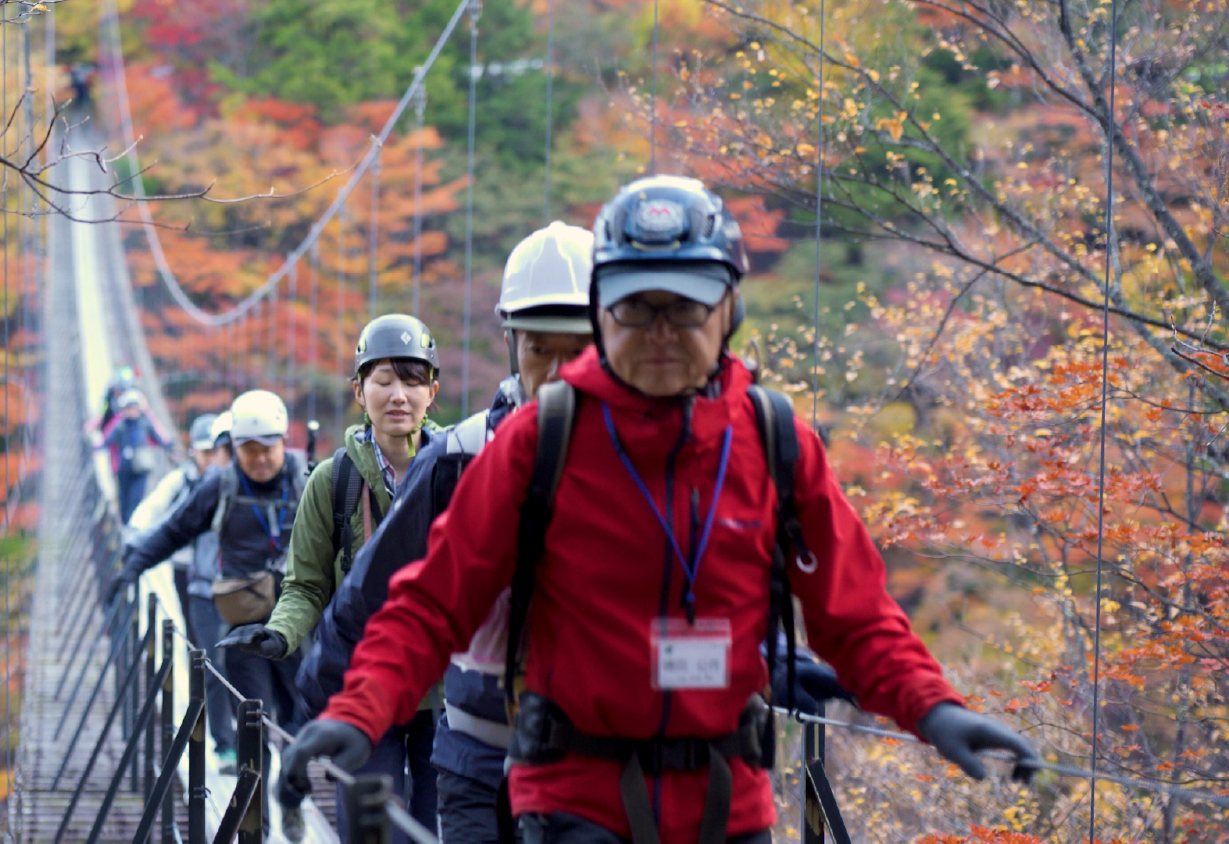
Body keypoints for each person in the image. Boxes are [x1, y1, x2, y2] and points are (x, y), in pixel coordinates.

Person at [277, 176, 1041, 844]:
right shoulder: (538, 443)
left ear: (729, 310)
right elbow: (431, 604)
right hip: (574, 798)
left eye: (688, 306)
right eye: (637, 308)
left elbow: (856, 614)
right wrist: (358, 713)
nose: (663, 334)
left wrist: (930, 708)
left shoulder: (775, 444)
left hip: (728, 798)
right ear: (603, 315)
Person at [221, 314, 441, 842]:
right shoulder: (333, 481)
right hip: (363, 684)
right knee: (371, 827)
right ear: (358, 391)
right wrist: (280, 633)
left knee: (430, 827)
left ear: (432, 391)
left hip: (439, 689)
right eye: (382, 380)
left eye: (412, 381)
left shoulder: (456, 467)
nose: (398, 396)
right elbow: (307, 584)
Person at [108, 392, 308, 778]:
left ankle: (292, 793)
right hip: (244, 623)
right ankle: (260, 827)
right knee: (253, 719)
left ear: (284, 441)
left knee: (299, 718)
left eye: (268, 448)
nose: (261, 459)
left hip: (298, 622)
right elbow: (173, 531)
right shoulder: (221, 486)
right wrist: (132, 567)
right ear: (233, 447)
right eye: (249, 450)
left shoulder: (309, 483)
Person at [123, 412, 225, 631]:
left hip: (217, 568)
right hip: (184, 561)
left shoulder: (228, 483)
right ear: (193, 451)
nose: (210, 458)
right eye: (205, 452)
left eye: (214, 452)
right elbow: (154, 506)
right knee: (192, 622)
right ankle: (194, 662)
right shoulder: (181, 480)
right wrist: (135, 534)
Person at [98, 388, 171, 522]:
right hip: (124, 469)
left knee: (136, 499)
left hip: (141, 469)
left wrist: (169, 445)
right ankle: (126, 526)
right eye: (129, 408)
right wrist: (97, 445)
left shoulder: (144, 423)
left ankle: (133, 526)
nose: (132, 411)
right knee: (123, 499)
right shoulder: (120, 425)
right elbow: (108, 440)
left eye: (134, 407)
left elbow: (158, 437)